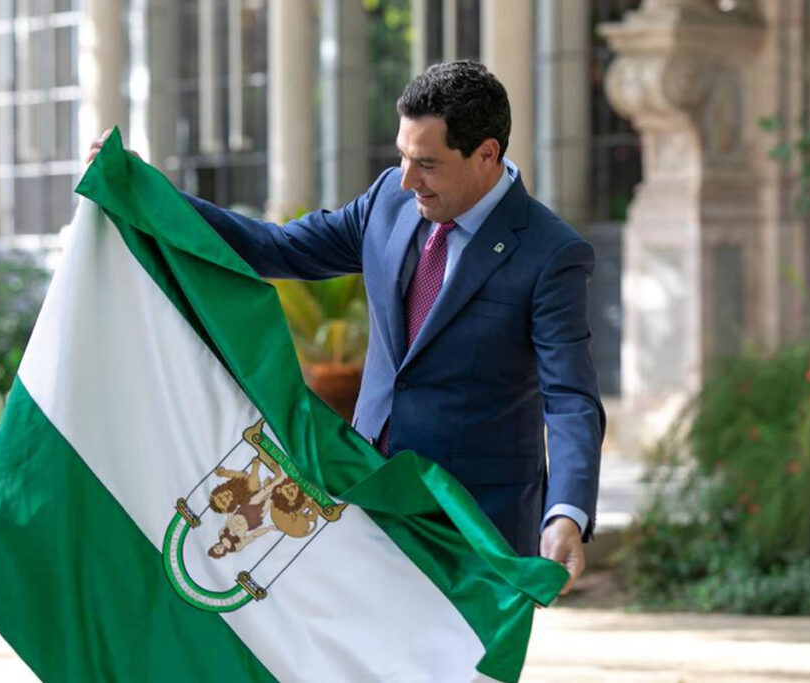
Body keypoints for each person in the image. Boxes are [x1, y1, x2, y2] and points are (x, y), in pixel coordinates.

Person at [89, 61, 603, 593]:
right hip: (365, 500)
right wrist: (147, 196)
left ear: (487, 154)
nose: (408, 179)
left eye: (426, 164)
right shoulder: (390, 199)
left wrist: (565, 511)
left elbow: (570, 398)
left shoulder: (551, 253)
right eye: (402, 157)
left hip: (474, 524)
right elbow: (276, 247)